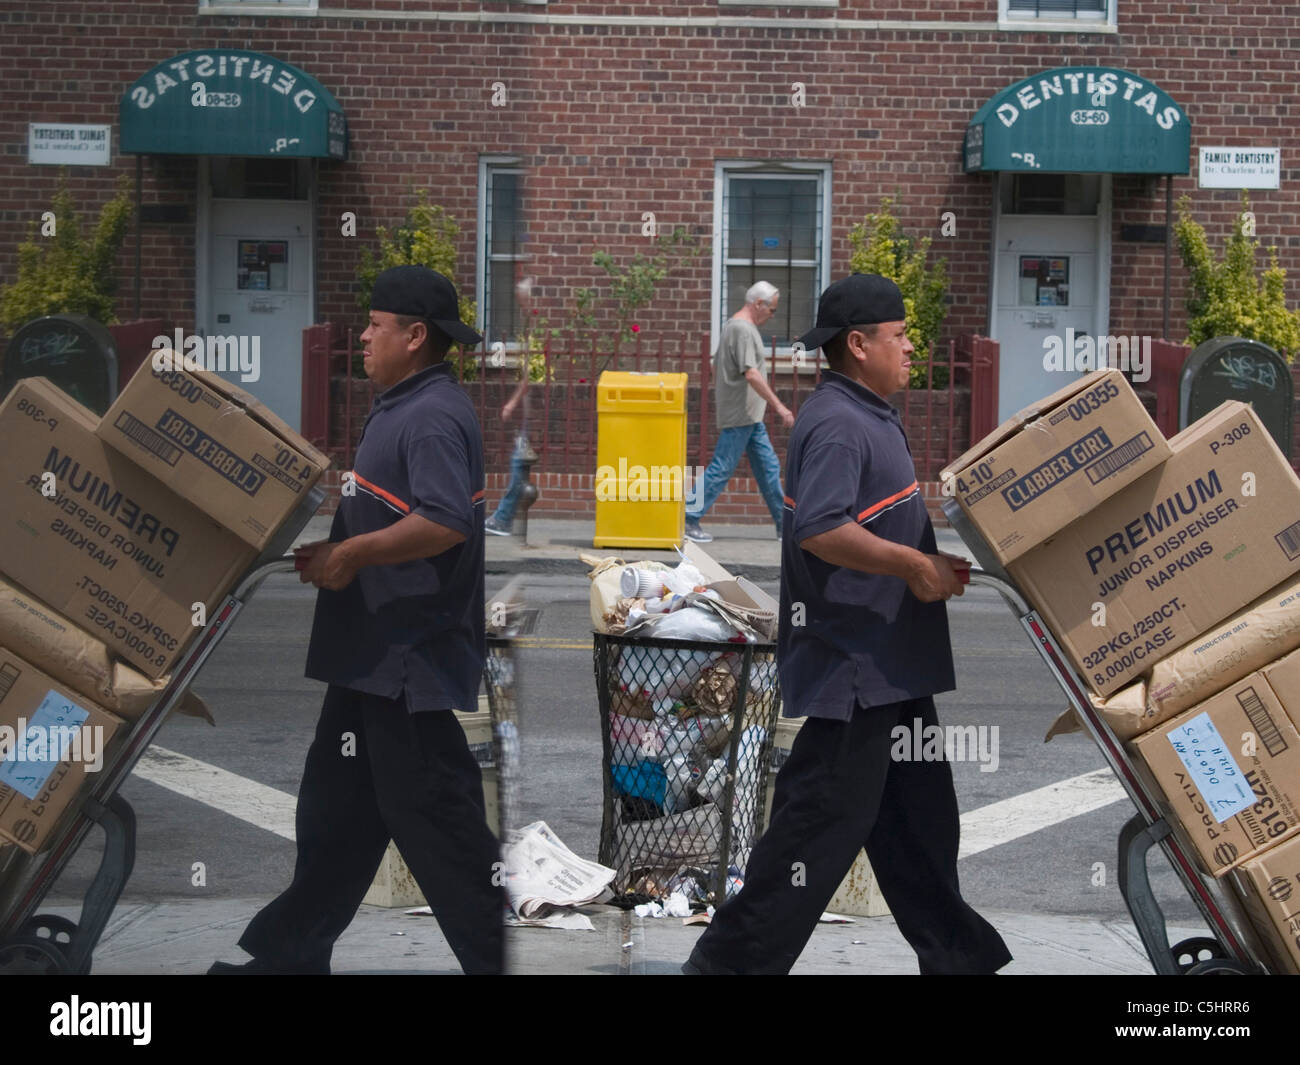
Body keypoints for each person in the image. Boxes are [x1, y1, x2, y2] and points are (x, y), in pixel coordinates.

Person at [682, 273, 1011, 975]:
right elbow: (822, 529)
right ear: (858, 345)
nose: (910, 346)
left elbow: (870, 519)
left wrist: (927, 557)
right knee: (813, 832)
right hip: (855, 671)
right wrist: (911, 568)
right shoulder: (837, 423)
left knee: (919, 829)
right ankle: (725, 967)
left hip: (893, 667)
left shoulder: (867, 413)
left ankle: (958, 959)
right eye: (898, 336)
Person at [209, 266, 505, 975]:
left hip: (407, 665)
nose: (363, 337)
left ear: (415, 335)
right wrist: (338, 545)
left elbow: (442, 522)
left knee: (446, 832)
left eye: (375, 325)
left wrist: (352, 554)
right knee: (335, 822)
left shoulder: (433, 414)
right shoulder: (403, 402)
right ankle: (289, 960)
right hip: (368, 662)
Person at [684, 281, 794, 544]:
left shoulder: (733, 327)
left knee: (768, 467)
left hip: (748, 414)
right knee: (722, 466)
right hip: (741, 414)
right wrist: (779, 406)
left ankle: (784, 524)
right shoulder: (743, 330)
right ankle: (689, 516)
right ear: (758, 304)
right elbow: (751, 373)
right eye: (772, 310)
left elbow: (715, 366)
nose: (772, 315)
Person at [484, 374, 531, 536]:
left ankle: (503, 519)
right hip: (534, 419)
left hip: (538, 420)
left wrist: (512, 403)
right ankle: (504, 517)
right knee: (520, 467)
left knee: (519, 466)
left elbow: (528, 378)